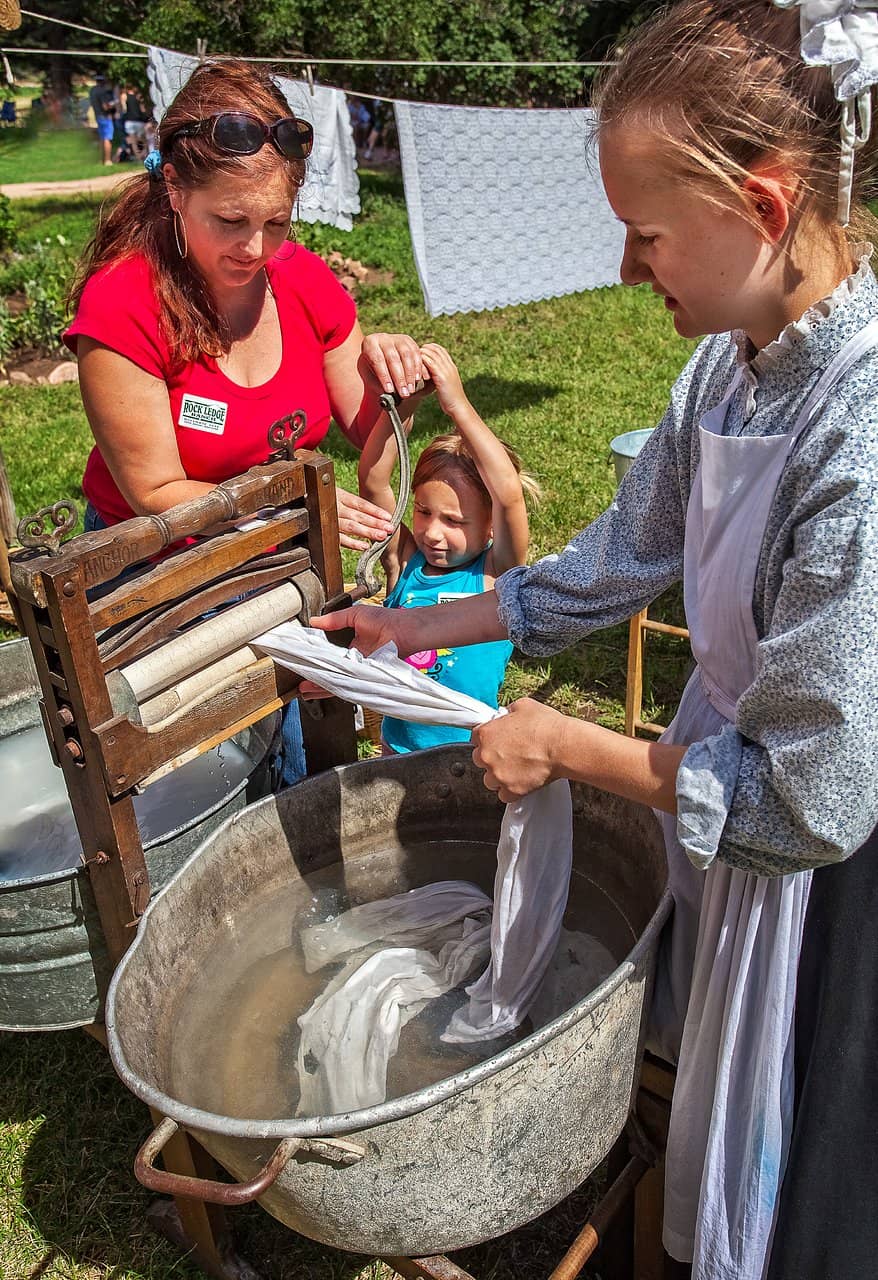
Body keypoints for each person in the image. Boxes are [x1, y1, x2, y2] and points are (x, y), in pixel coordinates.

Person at [311, 2, 878, 1276]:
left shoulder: (862, 422)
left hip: (820, 870)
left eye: (645, 234)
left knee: (800, 1180)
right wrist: (405, 622)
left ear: (765, 205)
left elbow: (808, 795)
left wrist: (568, 744)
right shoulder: (728, 368)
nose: (628, 270)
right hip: (725, 790)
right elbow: (606, 566)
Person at [64, 59, 429, 783]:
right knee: (203, 772)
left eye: (275, 223)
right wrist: (285, 515)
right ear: (173, 188)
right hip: (155, 577)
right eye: (229, 221)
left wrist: (399, 391)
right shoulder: (124, 306)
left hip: (279, 562)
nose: (255, 249)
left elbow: (365, 429)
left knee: (290, 757)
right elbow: (155, 493)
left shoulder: (301, 280)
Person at [358, 341, 538, 753]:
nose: (433, 533)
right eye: (423, 512)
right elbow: (373, 481)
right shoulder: (404, 561)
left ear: (491, 524)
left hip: (471, 753)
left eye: (454, 521)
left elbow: (508, 493)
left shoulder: (498, 574)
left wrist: (457, 405)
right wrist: (401, 407)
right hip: (395, 750)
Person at [88, 73, 116, 166]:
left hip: (98, 115)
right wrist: (113, 105)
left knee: (102, 138)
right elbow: (105, 106)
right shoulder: (103, 91)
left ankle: (101, 159)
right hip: (105, 116)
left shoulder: (92, 91)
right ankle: (108, 160)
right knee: (107, 138)